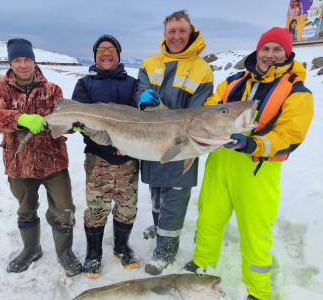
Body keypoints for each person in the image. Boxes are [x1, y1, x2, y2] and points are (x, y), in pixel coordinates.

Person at [184, 27, 314, 300]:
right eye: (265, 48)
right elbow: (210, 105)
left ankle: (258, 290)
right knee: (208, 218)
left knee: (255, 231)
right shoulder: (232, 81)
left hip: (258, 170)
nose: (270, 55)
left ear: (288, 52)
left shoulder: (298, 91)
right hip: (220, 161)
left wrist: (251, 144)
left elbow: (290, 135)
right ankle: (201, 264)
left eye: (277, 49)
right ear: (257, 50)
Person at [0, 38, 83, 277]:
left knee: (64, 209)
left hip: (54, 163)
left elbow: (63, 122)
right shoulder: (1, 90)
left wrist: (75, 125)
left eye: (27, 59)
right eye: (17, 60)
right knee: (26, 210)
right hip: (19, 164)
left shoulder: (52, 90)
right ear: (11, 63)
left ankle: (64, 253)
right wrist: (19, 119)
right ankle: (31, 249)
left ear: (33, 61)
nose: (23, 65)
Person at [135, 10, 214, 275]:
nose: (177, 36)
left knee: (175, 199)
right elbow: (140, 92)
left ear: (190, 32)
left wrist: (163, 112)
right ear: (165, 34)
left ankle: (166, 251)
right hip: (152, 140)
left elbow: (197, 112)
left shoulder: (202, 70)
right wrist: (142, 100)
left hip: (185, 142)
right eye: (172, 31)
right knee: (156, 193)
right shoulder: (149, 62)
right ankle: (160, 230)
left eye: (182, 31)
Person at [71, 34, 140, 278]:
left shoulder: (132, 83)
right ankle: (93, 253)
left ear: (119, 55)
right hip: (98, 157)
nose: (106, 53)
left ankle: (121, 248)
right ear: (95, 55)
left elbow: (141, 116)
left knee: (127, 207)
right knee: (97, 208)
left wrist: (127, 143)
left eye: (111, 49)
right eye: (101, 49)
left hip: (129, 158)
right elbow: (78, 116)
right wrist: (79, 124)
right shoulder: (85, 84)